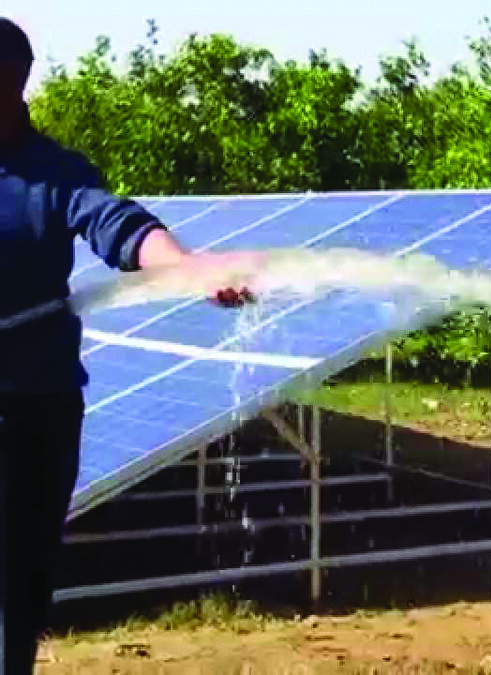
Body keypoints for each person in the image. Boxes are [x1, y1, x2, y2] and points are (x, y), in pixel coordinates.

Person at [0, 17, 258, 673]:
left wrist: (188, 267)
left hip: (39, 412)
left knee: (20, 588)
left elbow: (120, 226)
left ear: (12, 85)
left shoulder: (55, 174)